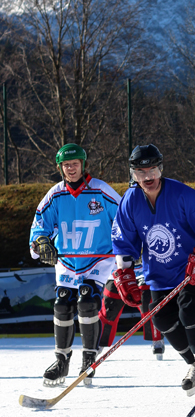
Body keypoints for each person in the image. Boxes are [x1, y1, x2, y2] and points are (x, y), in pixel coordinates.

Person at [111, 144, 195, 393]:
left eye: (152, 169)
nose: (148, 177)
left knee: (190, 311)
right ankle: (194, 364)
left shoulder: (182, 194)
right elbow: (123, 240)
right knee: (160, 317)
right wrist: (124, 273)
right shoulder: (130, 201)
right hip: (158, 275)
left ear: (161, 168)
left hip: (189, 272)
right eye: (141, 172)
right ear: (133, 174)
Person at [29, 143, 121, 386]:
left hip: (98, 259)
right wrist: (41, 241)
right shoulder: (55, 194)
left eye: (75, 164)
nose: (71, 169)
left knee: (88, 299)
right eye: (66, 165)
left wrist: (128, 247)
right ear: (60, 168)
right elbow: (40, 224)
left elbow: (124, 217)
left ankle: (89, 357)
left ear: (84, 165)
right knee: (62, 304)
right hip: (68, 261)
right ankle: (62, 361)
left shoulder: (101, 190)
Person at [98, 260, 165, 358]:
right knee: (109, 305)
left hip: (142, 271)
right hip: (116, 272)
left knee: (147, 300)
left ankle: (157, 339)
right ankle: (99, 344)